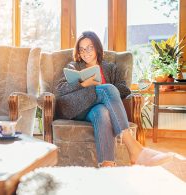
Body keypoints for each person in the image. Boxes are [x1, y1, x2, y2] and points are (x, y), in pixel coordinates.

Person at [55, 31, 173, 167]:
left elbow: (124, 89)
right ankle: (134, 149)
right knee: (108, 89)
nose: (85, 52)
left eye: (89, 48)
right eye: (81, 49)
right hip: (78, 108)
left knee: (103, 112)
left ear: (97, 47)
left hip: (96, 110)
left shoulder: (110, 68)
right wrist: (84, 83)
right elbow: (60, 89)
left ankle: (107, 165)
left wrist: (101, 88)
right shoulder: (74, 66)